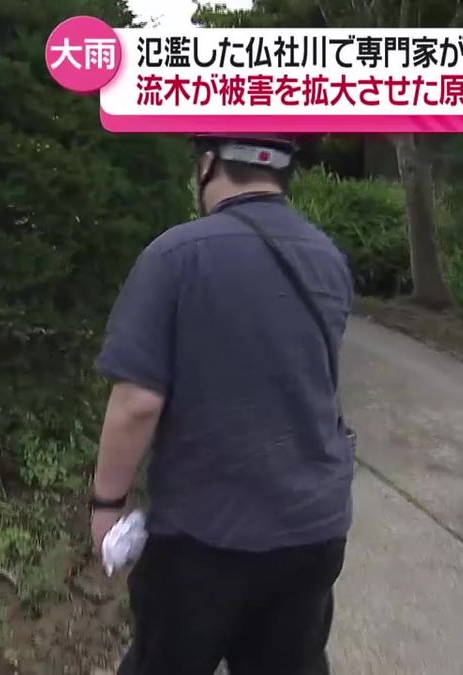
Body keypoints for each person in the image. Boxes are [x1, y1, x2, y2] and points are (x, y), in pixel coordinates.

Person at [89, 134, 356, 675]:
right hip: (312, 532)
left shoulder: (175, 254)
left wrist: (106, 508)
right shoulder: (327, 257)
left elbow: (137, 402)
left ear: (208, 164)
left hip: (204, 538)